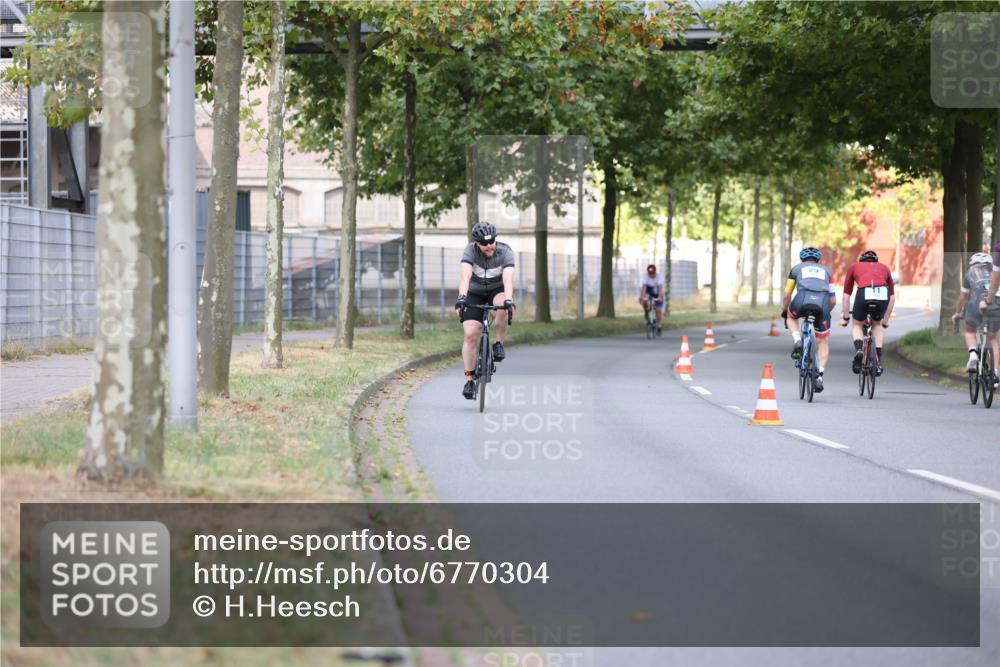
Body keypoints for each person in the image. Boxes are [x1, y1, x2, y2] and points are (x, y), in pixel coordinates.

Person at [454, 221, 515, 400]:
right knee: (470, 335)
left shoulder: (505, 251)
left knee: (503, 306)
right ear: (476, 243)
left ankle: (498, 343)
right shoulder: (470, 251)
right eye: (483, 243)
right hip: (474, 293)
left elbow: (508, 280)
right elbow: (465, 277)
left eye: (491, 241)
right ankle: (469, 380)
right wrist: (461, 299)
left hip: (497, 290)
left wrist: (509, 300)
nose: (488, 246)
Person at [782, 247, 837, 393]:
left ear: (802, 259)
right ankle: (819, 376)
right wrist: (826, 312)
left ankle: (797, 340)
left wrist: (784, 310)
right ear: (818, 260)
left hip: (802, 299)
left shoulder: (796, 269)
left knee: (791, 317)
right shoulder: (828, 272)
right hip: (822, 303)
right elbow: (833, 300)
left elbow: (787, 295)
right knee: (823, 341)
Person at [840, 250, 895, 376]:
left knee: (857, 324)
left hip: (864, 292)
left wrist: (846, 318)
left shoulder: (854, 267)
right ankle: (878, 361)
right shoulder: (885, 268)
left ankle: (859, 350)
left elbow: (846, 296)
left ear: (861, 260)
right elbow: (892, 298)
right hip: (882, 293)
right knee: (877, 325)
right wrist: (885, 321)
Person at [955, 252, 1000, 385]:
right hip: (995, 302)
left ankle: (973, 353)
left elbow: (962, 298)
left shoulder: (969, 273)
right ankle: (994, 374)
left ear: (972, 263)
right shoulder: (995, 271)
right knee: (993, 338)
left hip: (976, 302)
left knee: (970, 331)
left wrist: (957, 313)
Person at [638, 264, 664, 336]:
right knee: (644, 301)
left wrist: (660, 297)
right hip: (648, 292)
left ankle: (659, 326)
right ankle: (647, 312)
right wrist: (642, 297)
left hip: (657, 293)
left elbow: (660, 288)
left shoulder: (659, 277)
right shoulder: (645, 276)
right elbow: (644, 288)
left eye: (653, 273)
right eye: (650, 274)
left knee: (658, 310)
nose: (651, 275)